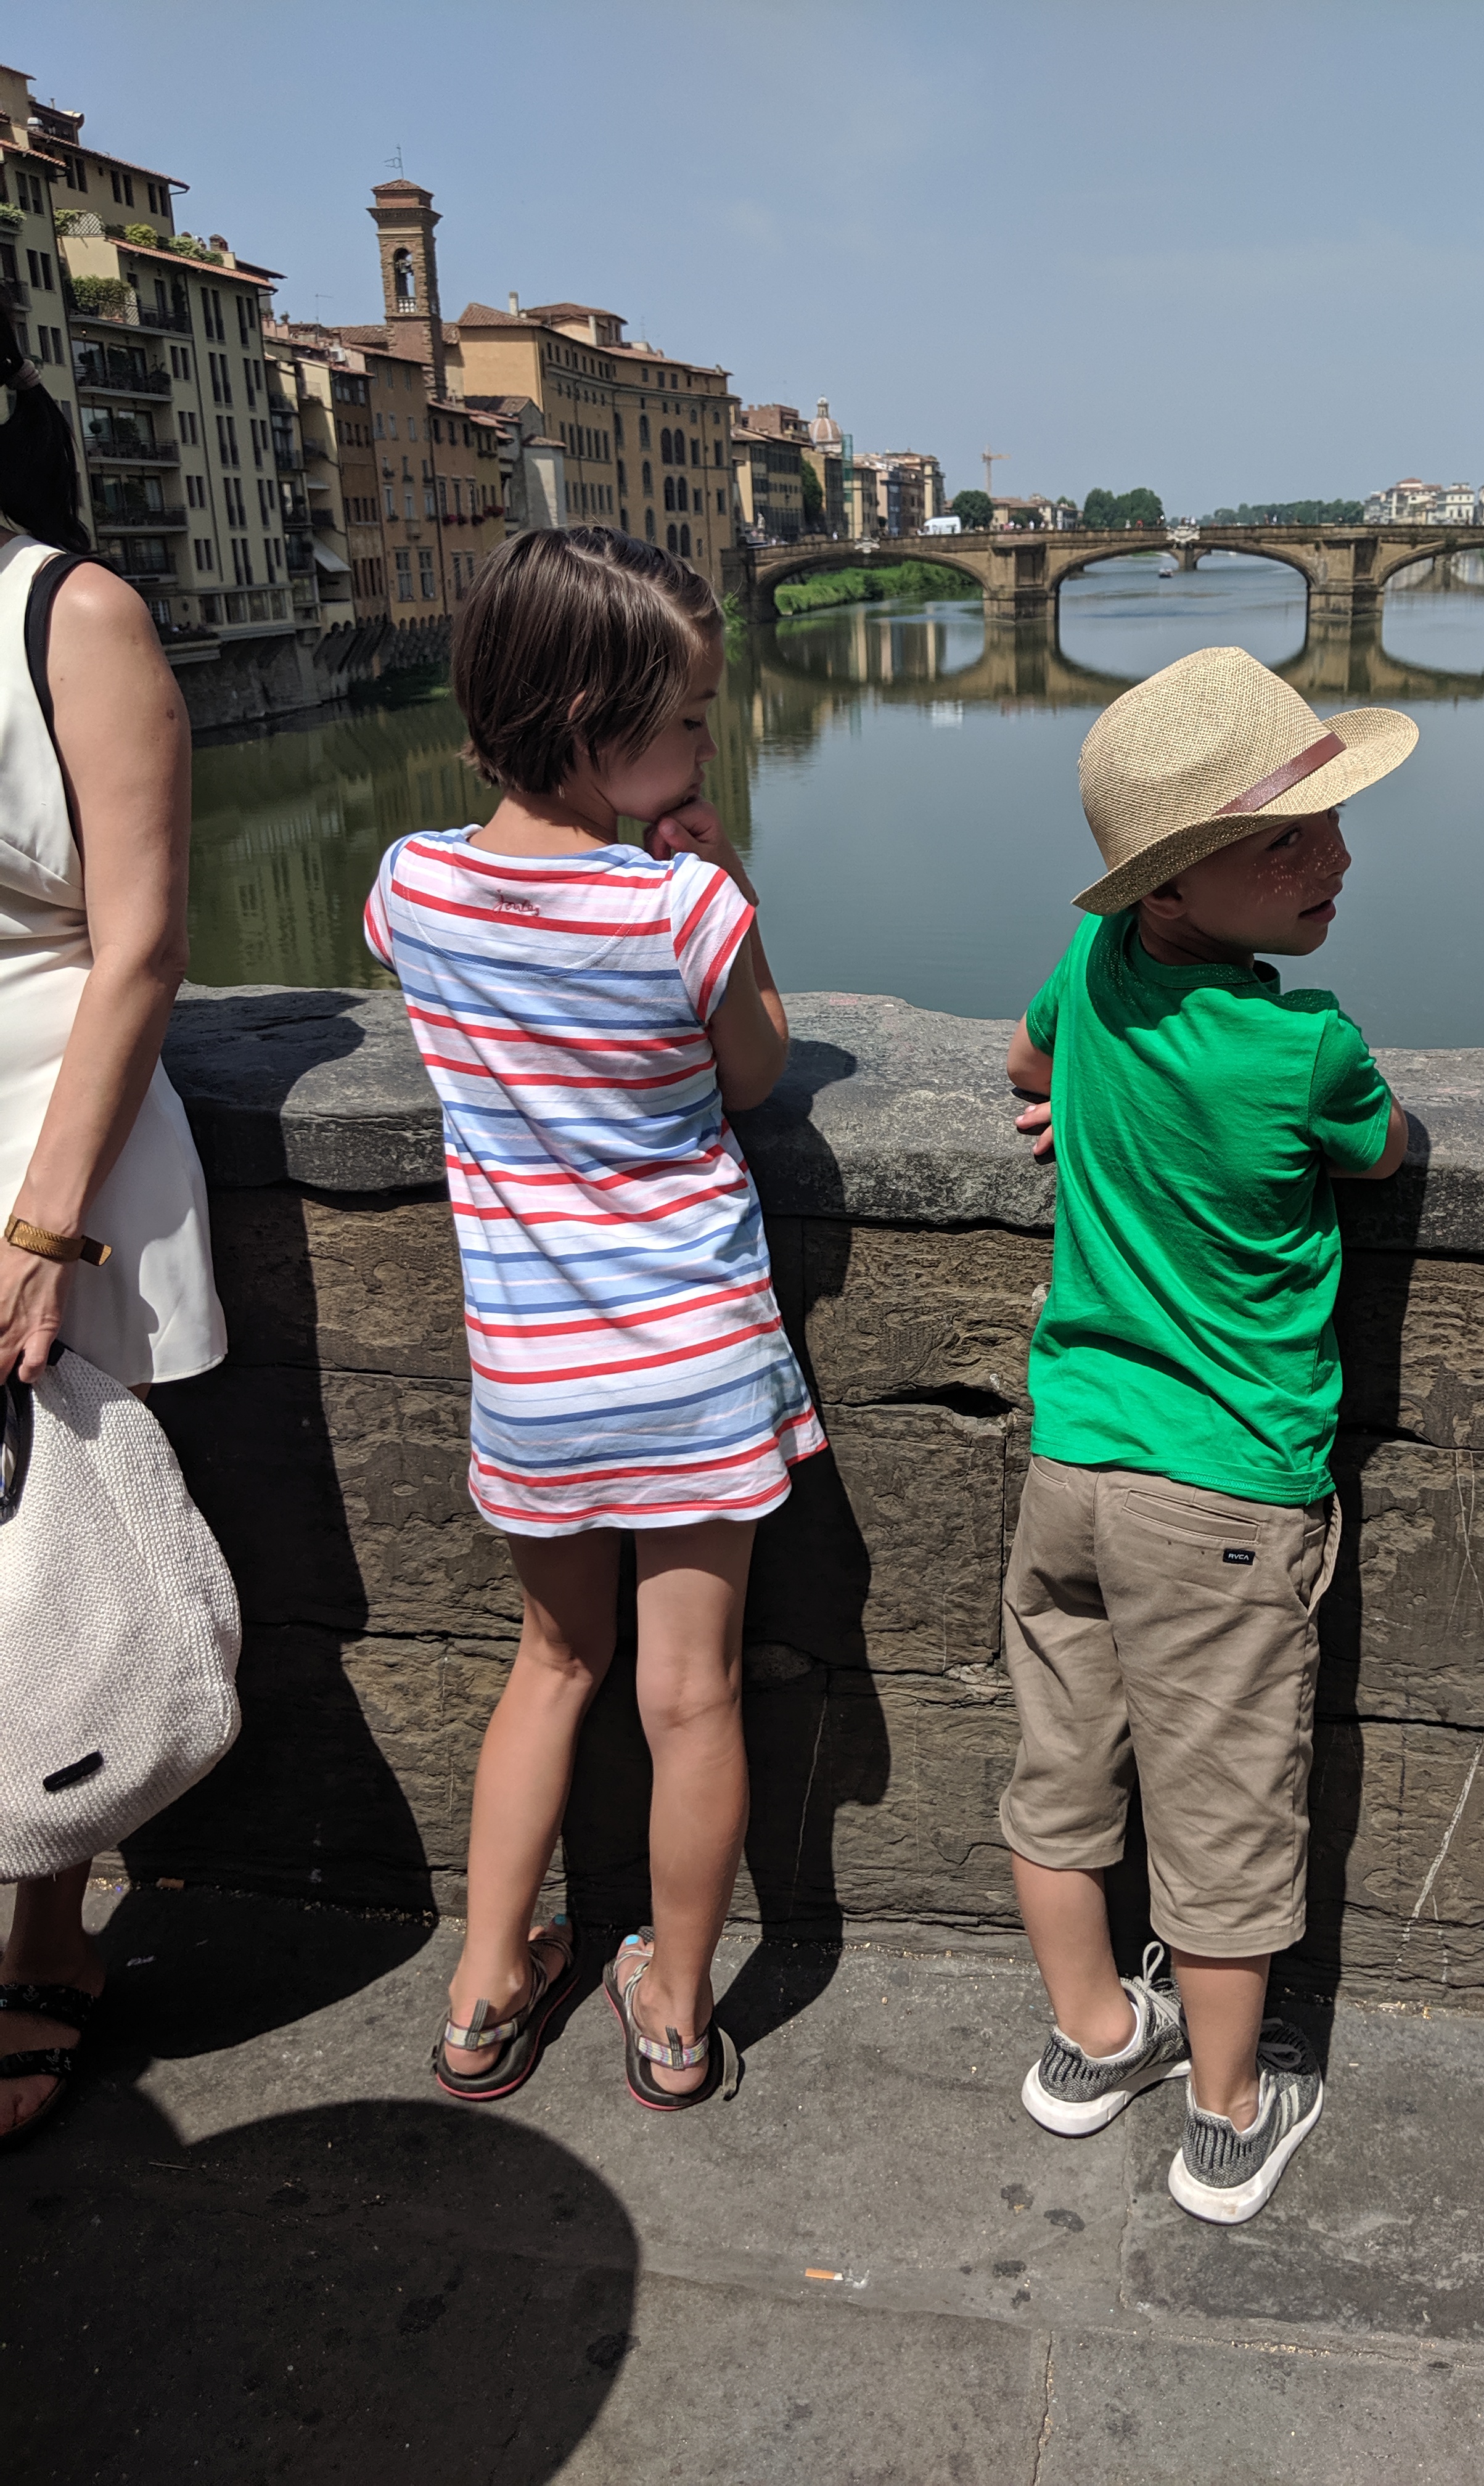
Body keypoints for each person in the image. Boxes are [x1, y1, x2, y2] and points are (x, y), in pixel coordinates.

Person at [363, 528, 823, 2111]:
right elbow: (757, 1070)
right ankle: (677, 2017)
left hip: (537, 1380)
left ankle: (485, 1992)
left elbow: (446, 952)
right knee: (690, 1697)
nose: (709, 748)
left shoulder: (410, 885)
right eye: (690, 721)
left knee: (552, 1664)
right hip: (695, 1365)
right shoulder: (680, 909)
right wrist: (721, 878)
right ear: (590, 720)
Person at [998, 646, 1416, 2225]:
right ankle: (1229, 2118)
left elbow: (1030, 1063)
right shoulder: (1304, 1049)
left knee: (1061, 1775)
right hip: (1227, 1496)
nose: (1334, 859)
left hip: (1074, 1467)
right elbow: (1382, 1153)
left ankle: (1094, 2040)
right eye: (1285, 842)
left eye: (1329, 824)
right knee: (1227, 1810)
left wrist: (1078, 1102)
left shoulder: (1095, 964)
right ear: (1173, 887)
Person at [0, 321, 226, 2147]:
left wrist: (44, 1225)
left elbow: (141, 943)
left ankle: (44, 1935)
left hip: (44, 1139)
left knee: (45, 1557)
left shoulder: (72, 617)